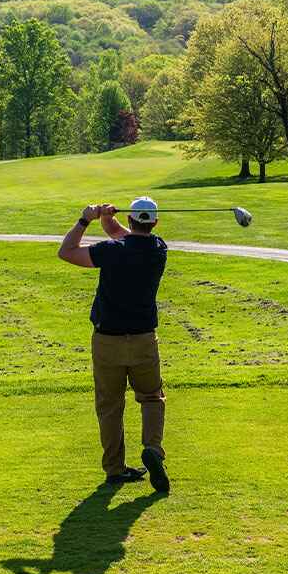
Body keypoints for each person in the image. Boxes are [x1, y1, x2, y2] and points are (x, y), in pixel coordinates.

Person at [57, 196, 171, 493]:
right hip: (144, 339)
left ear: (131, 220)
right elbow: (124, 237)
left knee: (110, 406)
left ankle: (115, 469)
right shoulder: (159, 249)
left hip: (107, 340)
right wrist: (107, 219)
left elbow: (66, 252)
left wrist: (86, 219)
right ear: (155, 223)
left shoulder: (110, 251)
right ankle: (153, 449)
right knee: (150, 397)